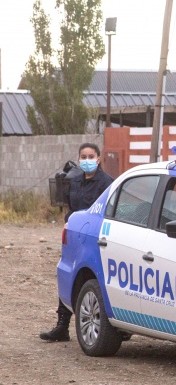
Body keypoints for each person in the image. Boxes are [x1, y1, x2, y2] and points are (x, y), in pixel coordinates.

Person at [40, 143, 114, 342]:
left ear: (98, 159)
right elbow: (71, 208)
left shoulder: (106, 183)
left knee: (92, 279)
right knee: (68, 275)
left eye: (91, 156)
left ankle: (108, 326)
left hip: (94, 236)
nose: (87, 160)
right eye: (84, 156)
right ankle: (62, 326)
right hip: (74, 235)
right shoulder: (75, 181)